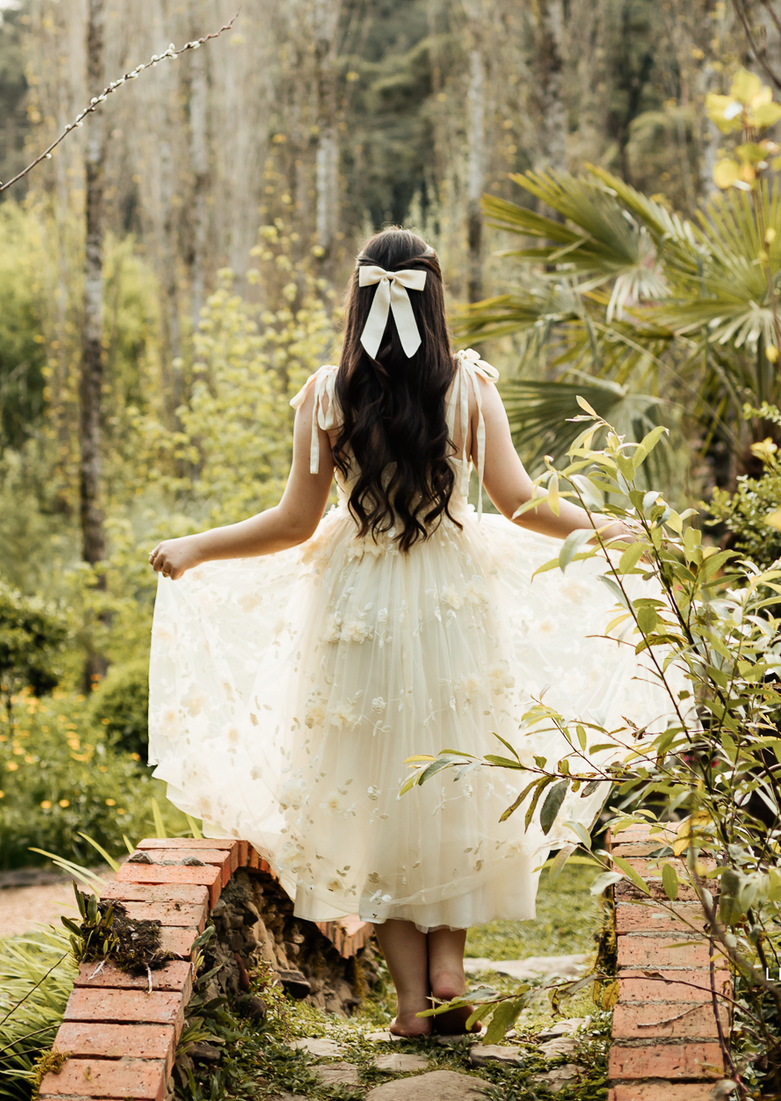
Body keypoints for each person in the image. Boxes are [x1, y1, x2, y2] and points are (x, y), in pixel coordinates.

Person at [148, 229, 673, 1038]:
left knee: (374, 790)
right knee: (454, 783)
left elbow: (293, 522)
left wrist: (198, 545)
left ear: (359, 297)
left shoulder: (328, 394)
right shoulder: (468, 389)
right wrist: (615, 527)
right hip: (450, 604)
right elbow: (521, 501)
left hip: (356, 608)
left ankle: (409, 1006)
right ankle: (452, 972)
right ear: (435, 298)